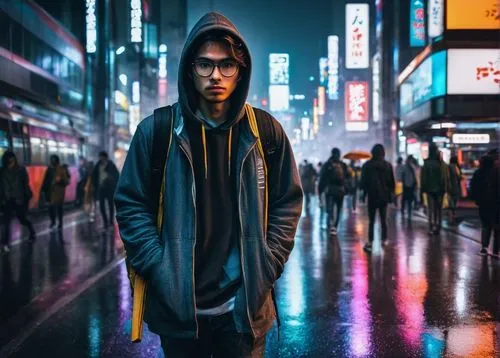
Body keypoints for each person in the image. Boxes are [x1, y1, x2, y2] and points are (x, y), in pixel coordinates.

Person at [114, 12, 303, 357]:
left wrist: (267, 261)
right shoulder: (156, 132)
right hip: (181, 308)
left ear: (240, 70)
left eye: (227, 65)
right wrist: (160, 267)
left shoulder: (266, 133)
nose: (216, 75)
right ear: (190, 68)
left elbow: (287, 202)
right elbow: (130, 203)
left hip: (242, 309)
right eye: (205, 64)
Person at [360, 144, 395, 252]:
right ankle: (384, 239)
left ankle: (370, 241)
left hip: (372, 196)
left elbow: (363, 183)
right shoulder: (387, 166)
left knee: (372, 220)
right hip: (384, 197)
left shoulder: (367, 165)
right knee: (383, 219)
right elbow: (391, 183)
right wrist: (391, 194)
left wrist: (364, 194)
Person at [0, 151, 35, 252]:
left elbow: (25, 184)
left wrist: (26, 197)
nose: (11, 163)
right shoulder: (2, 171)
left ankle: (31, 231)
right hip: (7, 200)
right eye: (9, 161)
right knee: (6, 222)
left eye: (12, 160)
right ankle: (6, 243)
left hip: (19, 199)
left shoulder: (21, 170)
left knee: (22, 219)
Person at [469, 149, 499, 257]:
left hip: (483, 204)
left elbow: (473, 187)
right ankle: (496, 250)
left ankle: (484, 247)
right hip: (496, 203)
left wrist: (476, 200)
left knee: (485, 225)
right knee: (497, 227)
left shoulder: (478, 173)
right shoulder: (496, 172)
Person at [318, 147, 349, 236]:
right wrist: (346, 189)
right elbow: (347, 178)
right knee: (339, 209)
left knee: (330, 208)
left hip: (330, 190)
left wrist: (320, 192)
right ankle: (335, 226)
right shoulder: (343, 165)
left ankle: (331, 224)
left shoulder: (327, 164)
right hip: (340, 190)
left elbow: (322, 179)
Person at [421, 144, 450, 235]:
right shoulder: (441, 163)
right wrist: (445, 188)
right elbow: (444, 177)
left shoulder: (426, 163)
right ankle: (438, 225)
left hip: (429, 189)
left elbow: (423, 178)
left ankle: (431, 226)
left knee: (431, 208)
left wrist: (423, 189)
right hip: (440, 190)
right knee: (438, 209)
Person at [41, 155, 70, 230]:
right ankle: (53, 221)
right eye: (51, 160)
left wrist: (59, 180)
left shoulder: (61, 169)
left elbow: (66, 181)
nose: (52, 162)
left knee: (59, 208)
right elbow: (45, 180)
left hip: (58, 192)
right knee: (50, 208)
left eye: (53, 160)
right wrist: (43, 189)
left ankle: (60, 222)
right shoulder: (49, 169)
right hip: (50, 192)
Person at [92, 151, 119, 229]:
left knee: (111, 206)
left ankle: (110, 222)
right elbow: (94, 176)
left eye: (102, 156)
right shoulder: (98, 165)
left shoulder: (111, 165)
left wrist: (112, 181)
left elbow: (116, 176)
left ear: (105, 157)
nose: (100, 158)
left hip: (109, 189)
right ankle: (105, 222)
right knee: (101, 207)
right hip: (101, 189)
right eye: (100, 156)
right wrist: (94, 185)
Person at [401, 155, 417, 223]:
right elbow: (403, 176)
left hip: (409, 186)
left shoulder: (410, 167)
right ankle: (405, 211)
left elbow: (413, 176)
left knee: (408, 200)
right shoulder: (406, 167)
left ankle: (407, 212)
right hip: (407, 186)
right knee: (406, 199)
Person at [448, 156, 462, 225]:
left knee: (451, 203)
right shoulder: (455, 167)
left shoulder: (448, 166)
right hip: (455, 186)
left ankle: (451, 218)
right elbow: (458, 176)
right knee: (454, 203)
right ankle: (452, 218)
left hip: (450, 187)